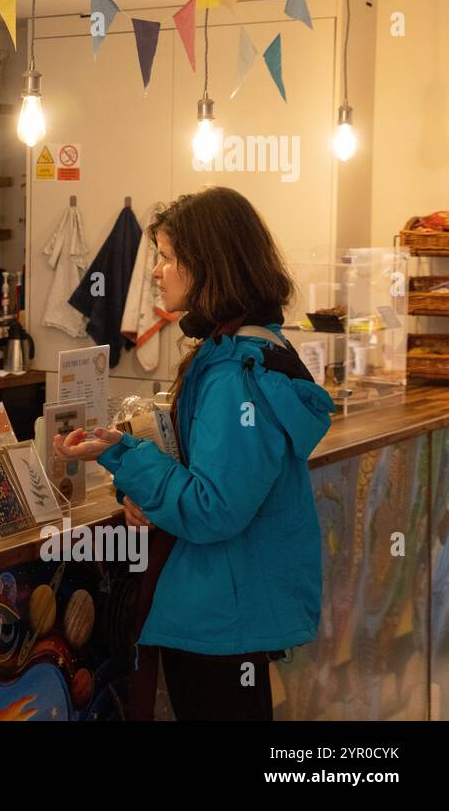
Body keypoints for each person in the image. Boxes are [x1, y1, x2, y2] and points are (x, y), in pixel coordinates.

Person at [54, 187, 333, 721]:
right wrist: (132, 471)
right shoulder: (243, 351)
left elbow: (213, 508)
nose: (156, 271)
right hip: (226, 605)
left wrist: (129, 459)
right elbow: (203, 473)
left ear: (205, 265)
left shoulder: (235, 375)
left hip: (219, 615)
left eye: (165, 256)